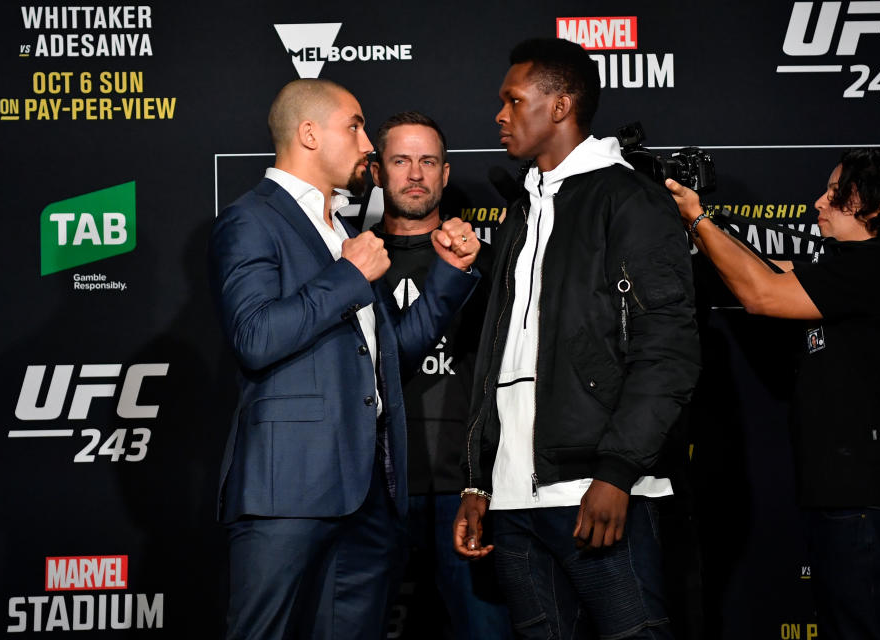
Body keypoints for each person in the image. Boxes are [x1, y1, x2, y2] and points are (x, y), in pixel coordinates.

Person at [208, 79, 482, 640]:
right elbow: (255, 337)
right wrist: (348, 275)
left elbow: (391, 358)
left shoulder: (343, 231)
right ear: (309, 133)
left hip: (369, 492)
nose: (365, 145)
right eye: (354, 126)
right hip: (288, 490)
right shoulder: (252, 219)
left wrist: (450, 277)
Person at [452, 38, 701, 640]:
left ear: (560, 106)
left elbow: (667, 348)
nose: (499, 115)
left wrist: (616, 473)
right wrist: (481, 480)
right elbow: (503, 351)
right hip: (513, 499)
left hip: (596, 489)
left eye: (514, 100)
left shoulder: (628, 197)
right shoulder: (522, 209)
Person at [666, 148, 880, 640]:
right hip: (848, 496)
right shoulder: (854, 268)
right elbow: (769, 269)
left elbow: (761, 292)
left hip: (868, 501)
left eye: (834, 193)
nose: (817, 203)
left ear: (873, 207)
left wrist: (697, 217)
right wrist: (693, 227)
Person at [367, 111, 513, 639]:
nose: (415, 174)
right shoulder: (353, 263)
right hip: (375, 490)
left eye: (428, 161)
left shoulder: (486, 263)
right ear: (378, 171)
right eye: (400, 161)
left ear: (446, 174)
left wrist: (486, 482)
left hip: (467, 488)